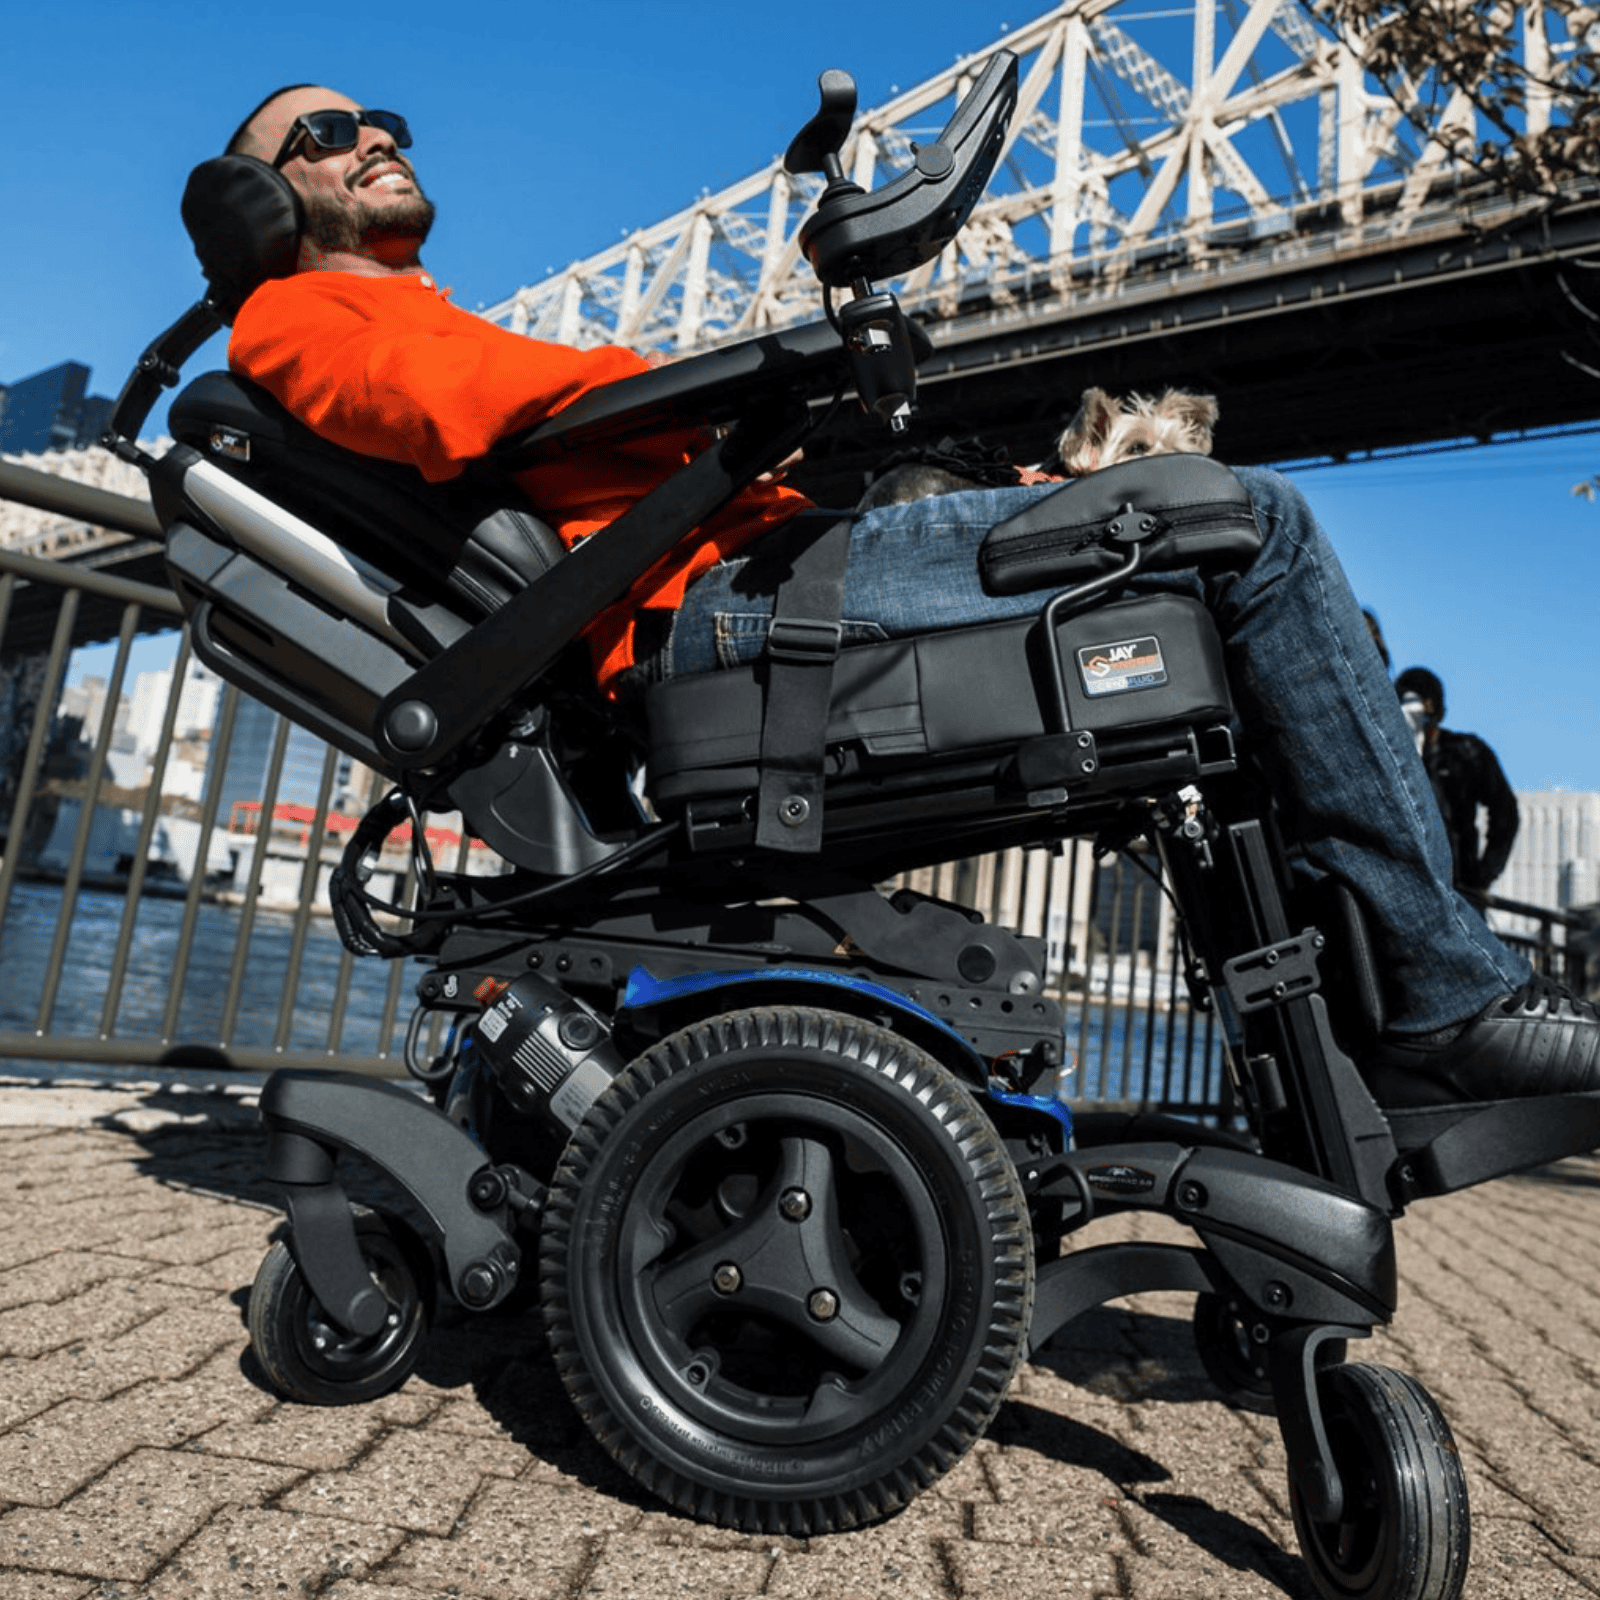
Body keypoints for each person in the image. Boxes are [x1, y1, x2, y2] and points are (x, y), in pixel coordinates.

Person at [220, 86, 1600, 1110]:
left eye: (383, 118)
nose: (375, 135)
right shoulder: (299, 316)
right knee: (1257, 524)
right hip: (726, 611)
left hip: (769, 569)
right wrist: (748, 373)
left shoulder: (431, 303)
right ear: (266, 205)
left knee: (1193, 542)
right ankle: (1436, 1004)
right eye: (326, 135)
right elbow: (466, 415)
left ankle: (1342, 1034)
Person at [1395, 666, 1520, 901]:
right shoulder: (1392, 759)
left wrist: (1482, 876)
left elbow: (1505, 812)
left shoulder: (1467, 753)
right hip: (1407, 889)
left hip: (1460, 891)